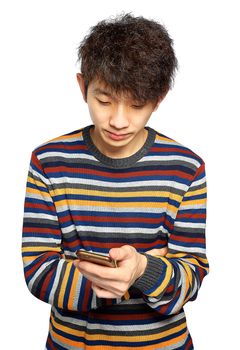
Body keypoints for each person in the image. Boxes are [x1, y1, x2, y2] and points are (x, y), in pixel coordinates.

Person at [22, 12, 209, 350]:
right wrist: (136, 275)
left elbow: (191, 279)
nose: (118, 121)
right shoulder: (49, 162)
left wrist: (139, 268)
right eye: (104, 101)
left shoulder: (186, 168)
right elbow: (38, 271)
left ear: (159, 98)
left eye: (137, 105)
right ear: (83, 87)